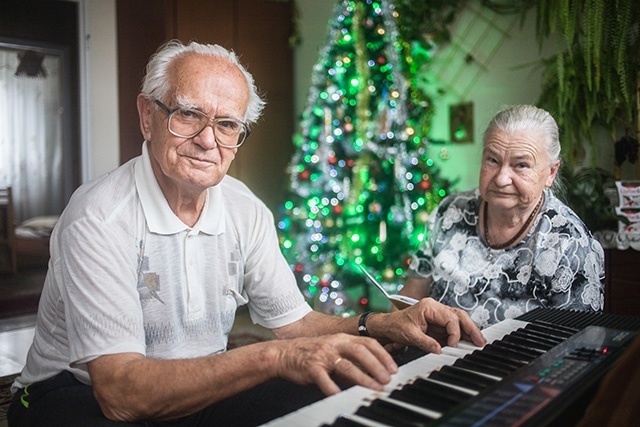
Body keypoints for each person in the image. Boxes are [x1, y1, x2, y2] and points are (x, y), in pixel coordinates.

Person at [7, 40, 485, 427]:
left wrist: (376, 324)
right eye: (189, 114)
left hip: (196, 387)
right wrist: (274, 358)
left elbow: (295, 325)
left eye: (228, 124)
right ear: (146, 116)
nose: (208, 141)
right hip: (76, 394)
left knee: (339, 389)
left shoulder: (244, 209)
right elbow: (121, 394)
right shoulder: (98, 217)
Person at [399, 104, 605, 328]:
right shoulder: (451, 211)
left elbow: (576, 347)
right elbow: (410, 297)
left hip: (522, 362)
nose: (501, 178)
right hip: (433, 357)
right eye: (492, 160)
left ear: (551, 172)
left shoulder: (570, 244)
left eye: (521, 165)